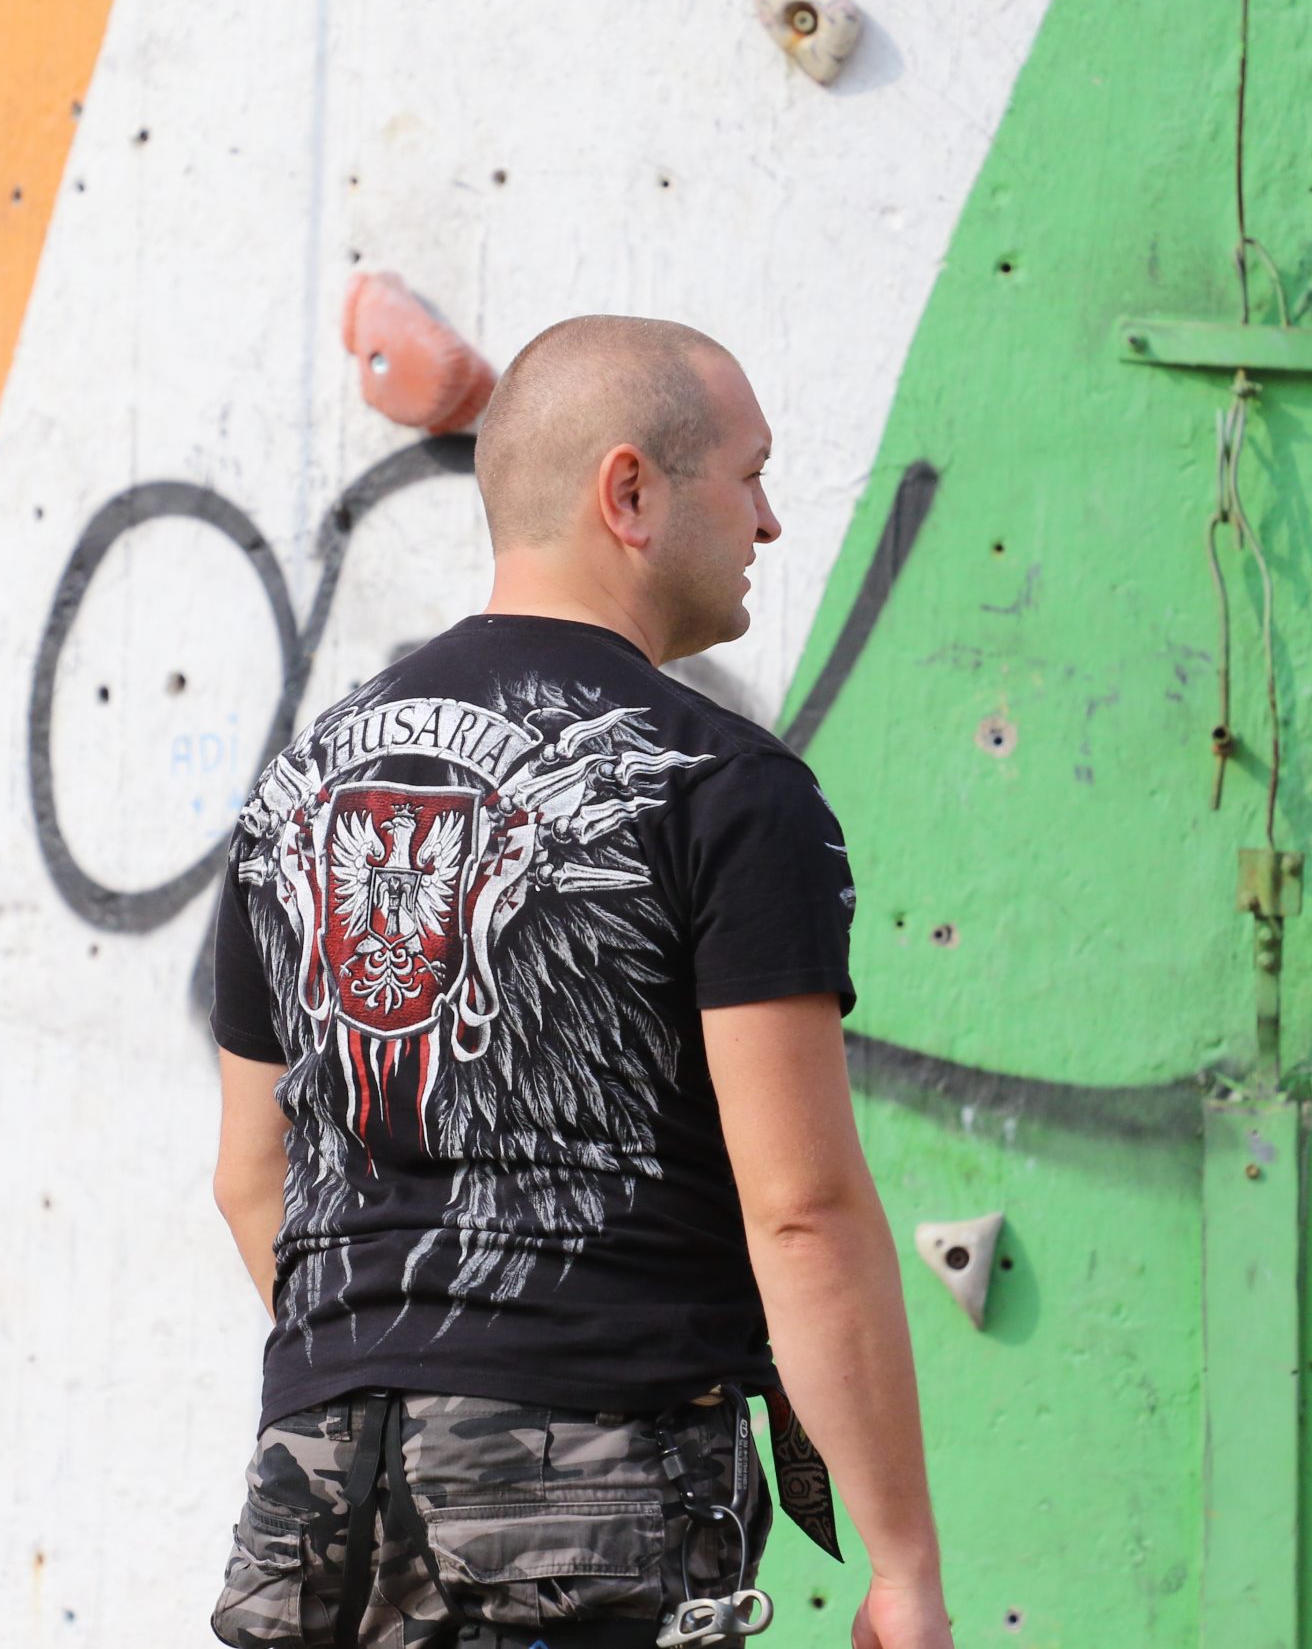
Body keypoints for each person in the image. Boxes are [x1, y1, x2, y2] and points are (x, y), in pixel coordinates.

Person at [205, 315, 948, 1649]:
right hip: (590, 1480)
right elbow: (801, 1211)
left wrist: (401, 1374)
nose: (769, 521)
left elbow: (249, 1176)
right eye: (750, 475)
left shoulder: (295, 792)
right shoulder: (720, 785)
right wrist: (901, 1565)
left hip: (318, 1496)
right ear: (631, 493)